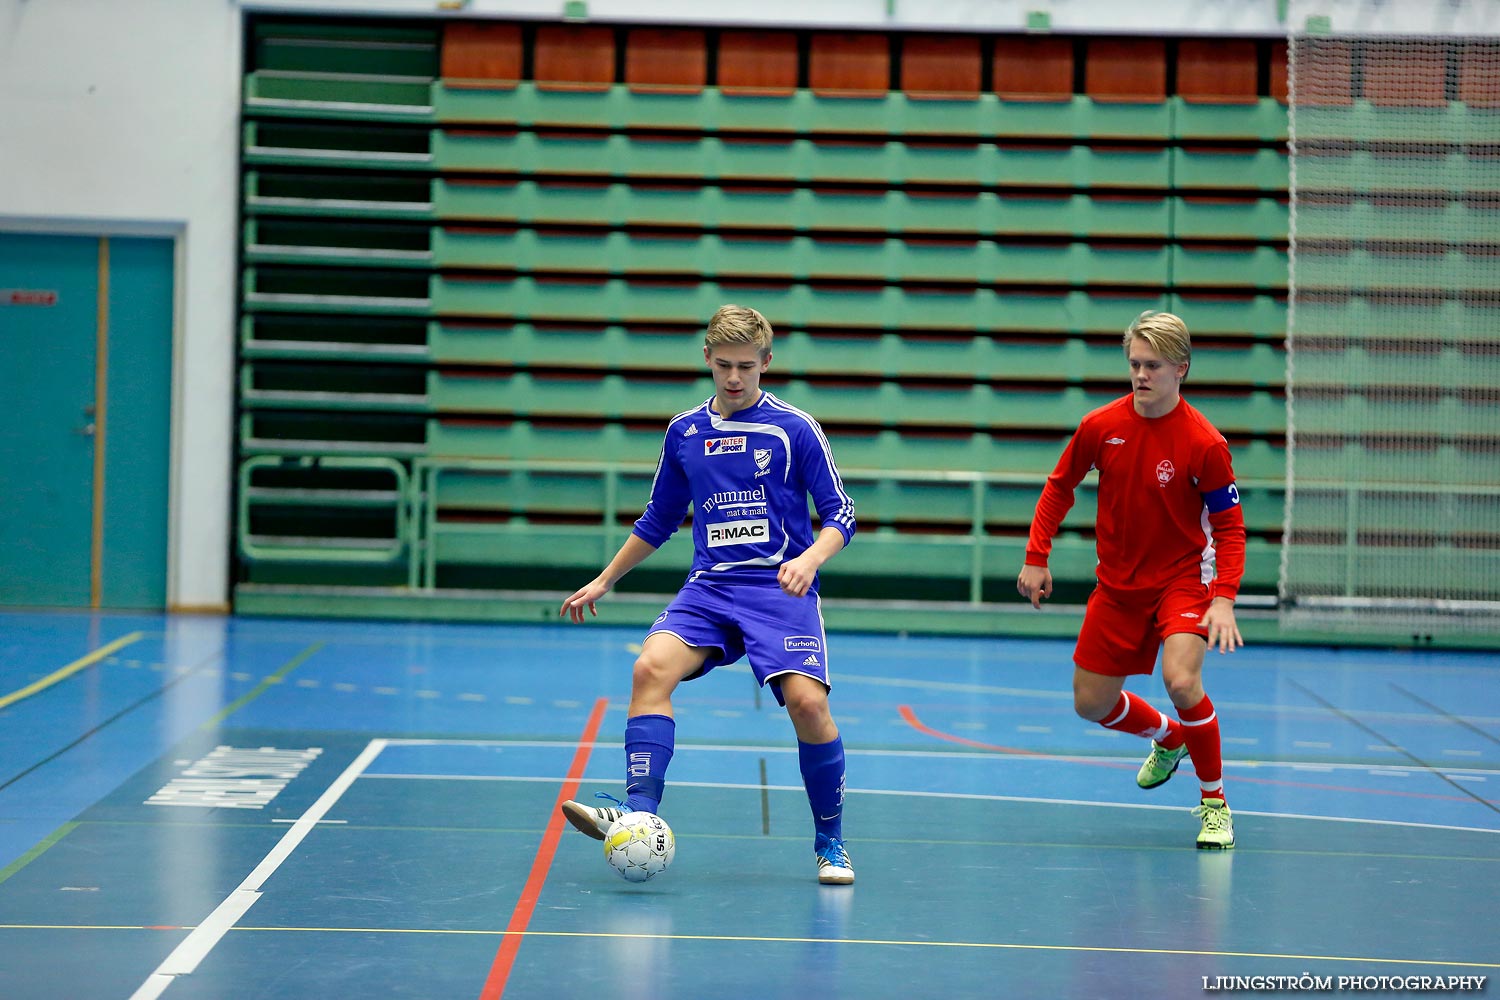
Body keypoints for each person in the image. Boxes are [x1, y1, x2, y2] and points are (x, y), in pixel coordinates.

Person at [558, 304, 858, 884]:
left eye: (747, 366)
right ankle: (639, 816)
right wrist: (605, 579)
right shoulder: (685, 432)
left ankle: (830, 841)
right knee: (650, 670)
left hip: (777, 589)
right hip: (710, 590)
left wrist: (810, 558)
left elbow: (841, 513)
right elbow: (659, 519)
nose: (735, 378)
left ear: (767, 362)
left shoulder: (795, 429)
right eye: (724, 365)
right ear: (707, 359)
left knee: (808, 705)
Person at [1016, 310, 1246, 849]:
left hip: (1183, 581)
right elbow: (1059, 487)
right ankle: (1169, 737)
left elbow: (1231, 530)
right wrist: (1036, 555)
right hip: (1118, 585)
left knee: (1183, 681)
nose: (1141, 376)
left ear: (1180, 369)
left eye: (1153, 367)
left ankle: (1215, 805)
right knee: (1090, 703)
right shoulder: (1102, 426)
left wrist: (1225, 599)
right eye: (1134, 365)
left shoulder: (1205, 443)